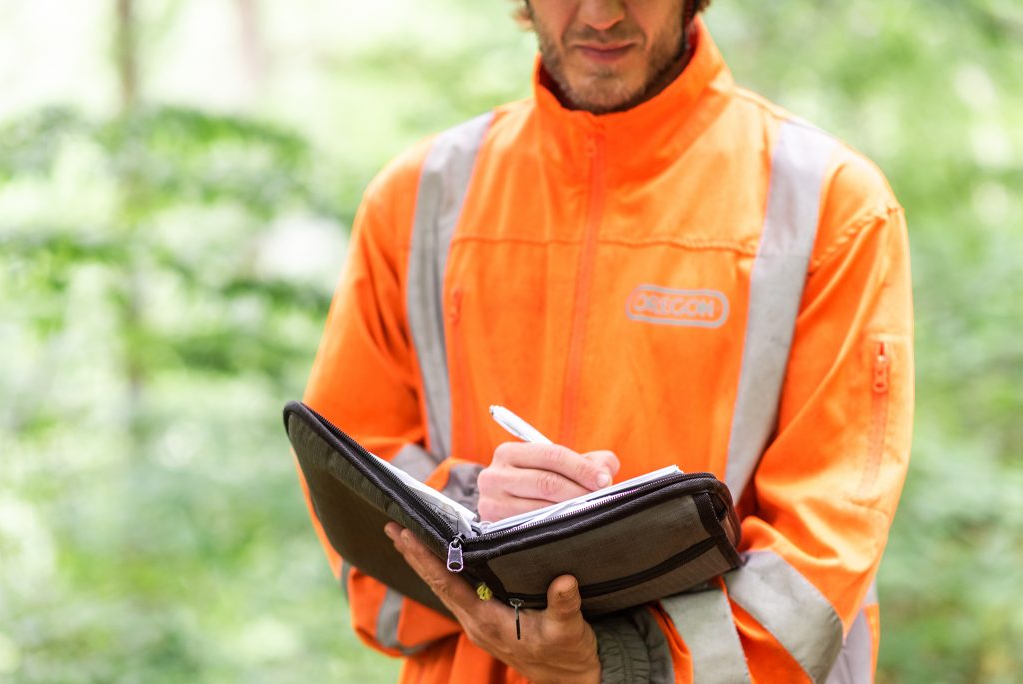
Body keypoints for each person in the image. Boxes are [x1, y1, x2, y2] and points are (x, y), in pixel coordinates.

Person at [299, 0, 914, 681]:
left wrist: (618, 660)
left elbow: (818, 561)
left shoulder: (830, 208)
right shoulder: (416, 202)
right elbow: (352, 485)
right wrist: (483, 516)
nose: (599, 14)